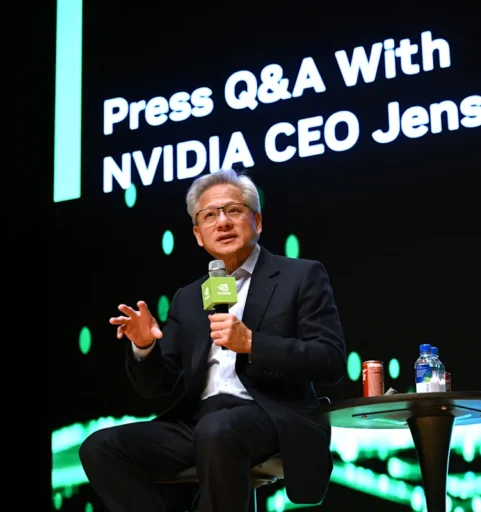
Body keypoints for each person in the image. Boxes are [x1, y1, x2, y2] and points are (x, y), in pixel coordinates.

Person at [79, 169, 347, 512]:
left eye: (233, 210)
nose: (222, 222)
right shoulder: (189, 297)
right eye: (209, 215)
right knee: (100, 447)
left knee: (218, 430)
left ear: (257, 221)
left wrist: (252, 343)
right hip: (198, 422)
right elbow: (156, 386)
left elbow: (330, 359)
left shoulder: (301, 275)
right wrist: (144, 348)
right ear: (197, 234)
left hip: (271, 415)